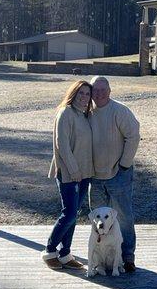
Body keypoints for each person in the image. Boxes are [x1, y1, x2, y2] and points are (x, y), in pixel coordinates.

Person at [88, 76, 140, 273]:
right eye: (95, 89)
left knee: (124, 217)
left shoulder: (120, 111)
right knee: (98, 221)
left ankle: (127, 258)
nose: (99, 93)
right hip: (95, 175)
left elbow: (133, 136)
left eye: (103, 89)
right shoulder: (88, 112)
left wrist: (124, 164)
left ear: (110, 91)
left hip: (119, 174)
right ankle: (99, 258)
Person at [42, 80, 94, 270]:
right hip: (69, 173)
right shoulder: (65, 113)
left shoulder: (84, 115)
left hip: (84, 174)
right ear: (73, 93)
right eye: (81, 93)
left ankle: (65, 254)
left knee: (74, 214)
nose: (84, 97)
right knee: (69, 213)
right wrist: (74, 171)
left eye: (87, 94)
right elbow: (62, 145)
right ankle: (49, 251)